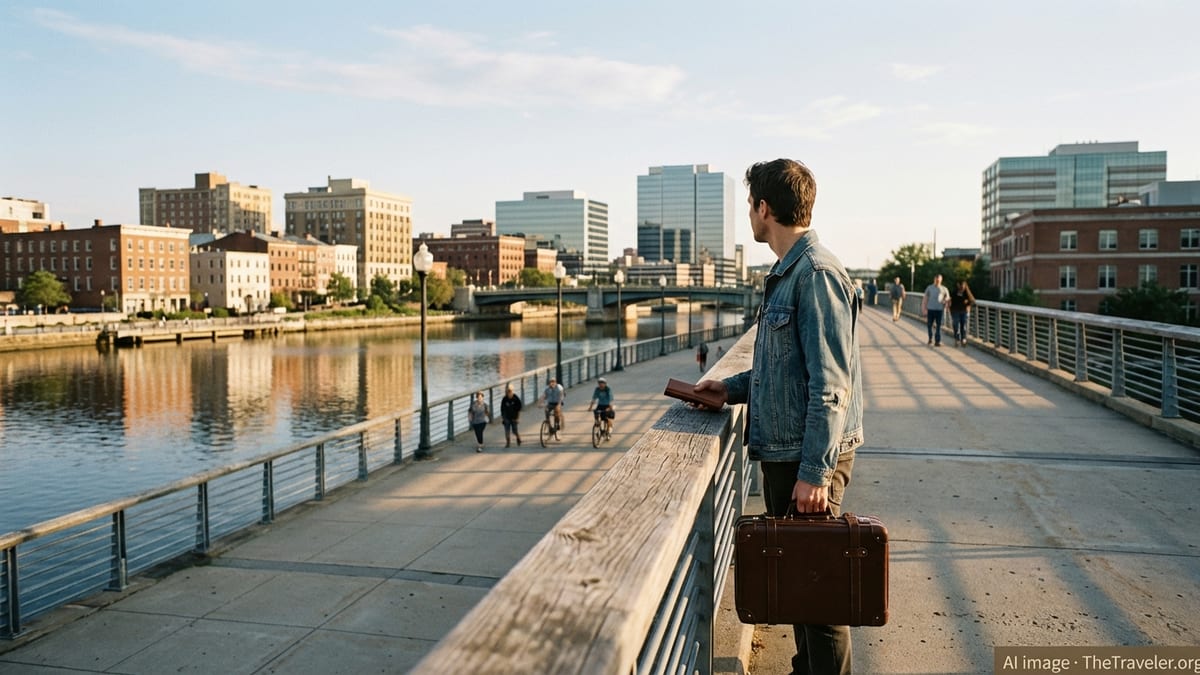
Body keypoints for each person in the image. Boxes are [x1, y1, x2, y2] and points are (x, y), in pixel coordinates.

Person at [695, 158, 863, 675]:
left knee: (821, 596)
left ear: (764, 209)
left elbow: (831, 385)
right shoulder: (788, 273)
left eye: (750, 204)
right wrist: (728, 388)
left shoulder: (815, 275)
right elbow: (784, 372)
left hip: (805, 459)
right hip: (789, 451)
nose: (749, 212)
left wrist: (815, 473)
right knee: (802, 584)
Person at [921, 273, 951, 347]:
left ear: (941, 280)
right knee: (929, 325)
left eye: (939, 279)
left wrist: (946, 302)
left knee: (938, 326)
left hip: (939, 310)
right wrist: (924, 308)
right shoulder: (929, 288)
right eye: (936, 279)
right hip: (930, 309)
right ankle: (930, 338)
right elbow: (925, 298)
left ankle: (937, 341)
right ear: (934, 279)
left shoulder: (944, 289)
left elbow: (948, 298)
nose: (937, 281)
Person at [949, 279, 976, 347]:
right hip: (955, 311)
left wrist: (968, 304)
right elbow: (950, 300)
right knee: (956, 325)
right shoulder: (954, 292)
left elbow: (973, 301)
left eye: (963, 286)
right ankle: (957, 338)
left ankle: (963, 338)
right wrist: (949, 307)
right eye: (960, 286)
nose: (961, 287)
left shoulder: (967, 293)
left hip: (964, 311)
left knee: (963, 325)